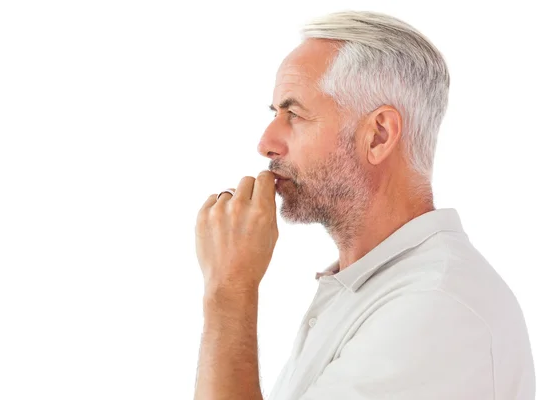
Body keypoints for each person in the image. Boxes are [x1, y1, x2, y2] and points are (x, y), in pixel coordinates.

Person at [193, 10, 535, 400]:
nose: (266, 142)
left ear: (378, 136)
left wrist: (229, 290)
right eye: (275, 114)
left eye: (294, 114)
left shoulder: (434, 308)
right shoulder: (373, 290)